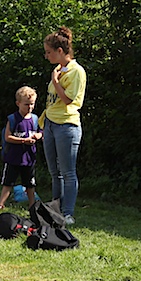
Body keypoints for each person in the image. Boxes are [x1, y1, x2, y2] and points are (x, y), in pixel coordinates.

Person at [41, 27, 86, 225]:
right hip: (50, 124)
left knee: (68, 172)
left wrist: (55, 81)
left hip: (66, 126)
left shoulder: (76, 71)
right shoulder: (59, 69)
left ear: (60, 51)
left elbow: (68, 99)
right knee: (54, 172)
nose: (46, 56)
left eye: (48, 52)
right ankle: (55, 209)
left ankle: (68, 213)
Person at [0, 86, 42, 210]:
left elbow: (41, 132)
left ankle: (32, 205)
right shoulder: (13, 119)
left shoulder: (35, 119)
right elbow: (7, 137)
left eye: (32, 104)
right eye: (26, 104)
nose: (30, 107)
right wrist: (23, 141)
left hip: (29, 157)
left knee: (30, 183)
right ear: (18, 103)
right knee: (8, 182)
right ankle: (1, 204)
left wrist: (38, 135)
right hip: (13, 157)